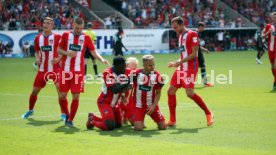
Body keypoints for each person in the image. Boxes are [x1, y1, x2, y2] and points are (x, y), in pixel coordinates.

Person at [57, 17, 110, 128]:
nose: (78, 30)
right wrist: (67, 53)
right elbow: (58, 50)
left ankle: (70, 119)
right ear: (73, 25)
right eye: (77, 28)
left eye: (80, 28)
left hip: (78, 72)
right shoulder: (66, 35)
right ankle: (67, 114)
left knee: (76, 97)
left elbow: (93, 51)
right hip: (65, 71)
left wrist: (101, 59)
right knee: (62, 96)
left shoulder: (85, 38)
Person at [166, 16, 214, 127]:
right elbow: (183, 54)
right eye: (173, 28)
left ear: (182, 24)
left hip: (191, 68)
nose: (175, 30)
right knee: (170, 91)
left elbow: (194, 54)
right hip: (181, 68)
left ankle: (208, 113)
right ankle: (172, 120)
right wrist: (176, 62)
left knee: (190, 93)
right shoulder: (180, 36)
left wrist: (179, 62)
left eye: (176, 27)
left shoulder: (192, 34)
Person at [21, 17, 64, 120]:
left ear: (52, 25)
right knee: (34, 91)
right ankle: (30, 110)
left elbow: (64, 50)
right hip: (42, 70)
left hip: (55, 69)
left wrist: (58, 59)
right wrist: (38, 59)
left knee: (60, 90)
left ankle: (63, 113)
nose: (45, 24)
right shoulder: (37, 38)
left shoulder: (58, 37)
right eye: (44, 22)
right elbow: (36, 51)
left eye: (48, 23)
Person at [86, 56, 131, 130]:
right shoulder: (108, 73)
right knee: (110, 126)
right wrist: (127, 82)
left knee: (118, 125)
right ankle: (92, 122)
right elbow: (114, 89)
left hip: (115, 104)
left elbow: (136, 73)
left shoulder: (126, 71)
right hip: (104, 102)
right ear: (116, 66)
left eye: (125, 66)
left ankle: (93, 117)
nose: (124, 69)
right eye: (122, 67)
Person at [131, 55, 167, 131]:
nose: (152, 67)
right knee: (138, 128)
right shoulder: (136, 74)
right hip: (138, 105)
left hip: (151, 105)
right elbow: (130, 87)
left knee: (163, 127)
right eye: (150, 65)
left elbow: (158, 93)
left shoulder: (157, 76)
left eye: (153, 64)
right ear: (144, 65)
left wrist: (153, 106)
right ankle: (138, 119)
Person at [120, 57, 138, 125]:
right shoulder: (121, 73)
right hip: (120, 100)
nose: (134, 69)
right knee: (116, 122)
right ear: (126, 65)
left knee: (135, 123)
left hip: (129, 101)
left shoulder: (134, 74)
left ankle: (125, 117)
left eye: (135, 67)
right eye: (133, 66)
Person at [196, 22, 214, 87]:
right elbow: (196, 45)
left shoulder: (197, 34)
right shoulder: (196, 34)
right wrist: (204, 49)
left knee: (201, 67)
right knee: (202, 67)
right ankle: (205, 83)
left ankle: (205, 83)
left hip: (197, 52)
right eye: (203, 27)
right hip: (197, 53)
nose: (203, 29)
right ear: (200, 27)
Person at [263, 12, 276, 91]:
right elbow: (262, 35)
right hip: (271, 50)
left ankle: (275, 84)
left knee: (275, 66)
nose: (275, 18)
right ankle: (275, 83)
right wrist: (268, 32)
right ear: (271, 18)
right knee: (273, 67)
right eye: (274, 17)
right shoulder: (268, 26)